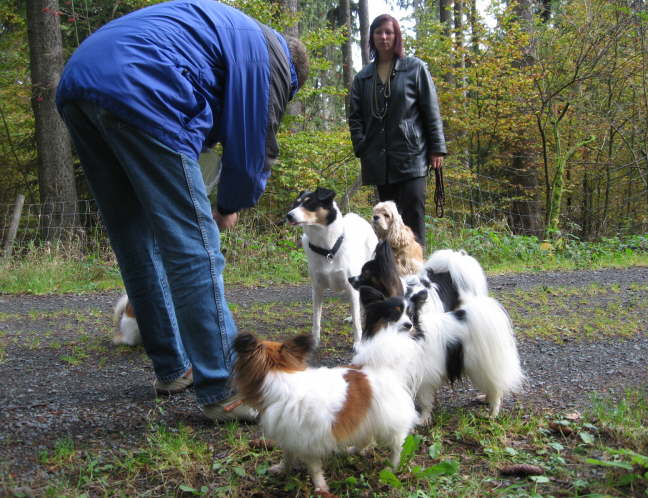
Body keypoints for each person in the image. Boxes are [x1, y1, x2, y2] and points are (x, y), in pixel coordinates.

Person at [56, 0, 309, 421]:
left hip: (79, 82)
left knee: (135, 239)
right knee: (195, 247)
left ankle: (174, 368)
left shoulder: (232, 35)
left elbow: (210, 123)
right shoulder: (272, 59)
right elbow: (252, 150)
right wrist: (229, 205)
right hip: (143, 87)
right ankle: (224, 389)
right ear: (294, 76)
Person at [349, 14, 446, 246]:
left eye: (388, 32)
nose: (384, 37)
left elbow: (430, 109)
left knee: (413, 212)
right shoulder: (363, 78)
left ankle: (416, 262)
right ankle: (393, 266)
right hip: (379, 160)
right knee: (387, 221)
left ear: (396, 36)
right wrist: (362, 145)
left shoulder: (415, 68)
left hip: (412, 155)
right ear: (372, 37)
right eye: (379, 32)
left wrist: (437, 148)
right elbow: (354, 117)